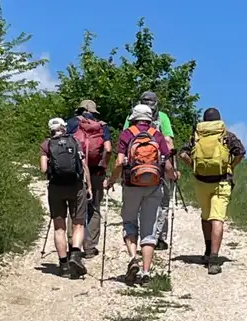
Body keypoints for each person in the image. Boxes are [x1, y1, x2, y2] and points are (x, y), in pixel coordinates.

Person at [106, 104, 178, 285]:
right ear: (150, 118)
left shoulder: (127, 134)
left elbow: (119, 162)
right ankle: (146, 273)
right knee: (149, 229)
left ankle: (133, 259)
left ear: (133, 117)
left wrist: (111, 181)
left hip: (131, 184)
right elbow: (167, 163)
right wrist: (173, 176)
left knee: (129, 222)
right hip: (154, 185)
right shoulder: (157, 134)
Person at [179, 108, 246, 275]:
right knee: (218, 218)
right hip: (222, 181)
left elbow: (183, 154)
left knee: (205, 216)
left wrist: (194, 167)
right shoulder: (226, 136)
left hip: (202, 181)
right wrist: (231, 166)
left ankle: (207, 251)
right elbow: (241, 152)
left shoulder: (197, 136)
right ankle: (214, 260)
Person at [40, 117, 93, 278]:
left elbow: (43, 169)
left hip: (56, 188)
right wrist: (89, 186)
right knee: (78, 223)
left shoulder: (46, 144)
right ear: (64, 128)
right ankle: (76, 255)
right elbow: (84, 166)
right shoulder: (75, 141)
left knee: (59, 227)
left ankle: (63, 265)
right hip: (76, 186)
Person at [123, 91, 175, 251]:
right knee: (163, 202)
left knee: (133, 207)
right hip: (158, 168)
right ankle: (158, 236)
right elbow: (169, 141)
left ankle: (135, 236)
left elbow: (125, 140)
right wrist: (172, 170)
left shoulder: (131, 117)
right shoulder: (163, 117)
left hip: (134, 170)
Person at [66, 99, 112, 258]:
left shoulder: (71, 123)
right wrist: (103, 165)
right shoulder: (102, 126)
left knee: (75, 207)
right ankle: (90, 247)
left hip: (76, 171)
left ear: (79, 110)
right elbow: (108, 148)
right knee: (94, 207)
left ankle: (74, 244)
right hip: (96, 171)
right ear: (94, 112)